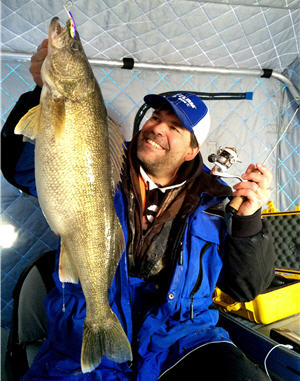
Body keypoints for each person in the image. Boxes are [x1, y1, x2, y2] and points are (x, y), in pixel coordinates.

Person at [1, 40, 275, 381]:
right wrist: (41, 91)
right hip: (83, 337)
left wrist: (248, 223)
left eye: (175, 127)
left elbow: (248, 288)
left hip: (180, 342)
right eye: (156, 117)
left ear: (192, 151)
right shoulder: (97, 163)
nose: (158, 127)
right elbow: (20, 168)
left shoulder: (217, 201)